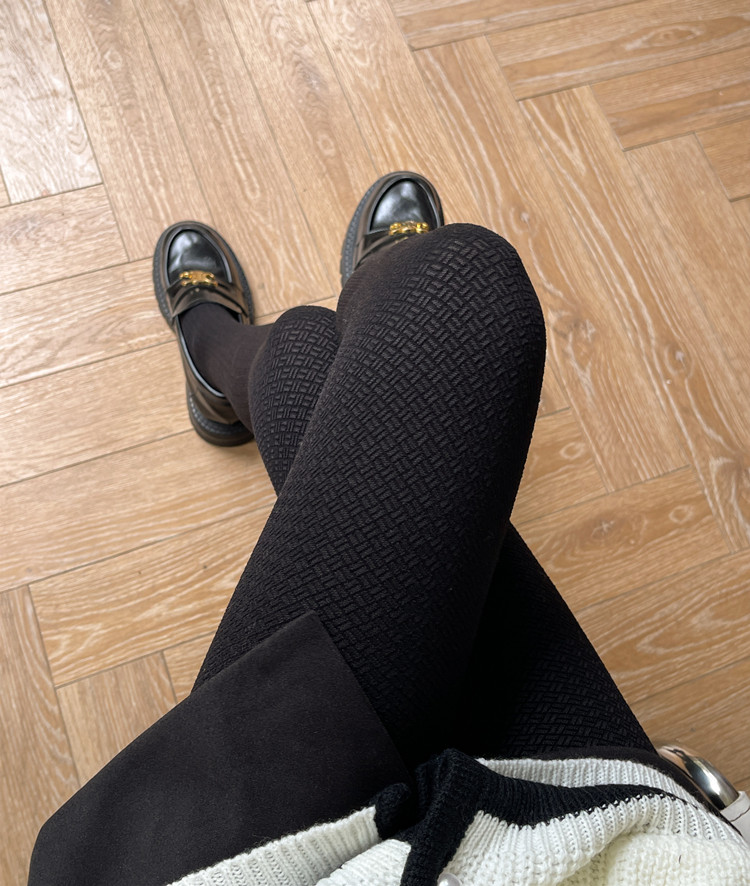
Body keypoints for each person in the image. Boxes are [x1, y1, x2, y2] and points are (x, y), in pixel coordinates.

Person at [28, 173, 750, 885]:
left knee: (450, 295)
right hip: (613, 844)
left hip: (246, 857)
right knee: (357, 342)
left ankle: (221, 351)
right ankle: (269, 351)